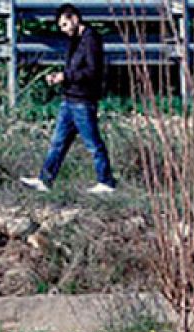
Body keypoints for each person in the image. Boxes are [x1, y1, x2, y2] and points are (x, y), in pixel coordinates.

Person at [20, 4, 116, 194]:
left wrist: (66, 76)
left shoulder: (91, 39)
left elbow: (92, 71)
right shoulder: (75, 40)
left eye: (65, 24)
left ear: (74, 18)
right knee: (58, 142)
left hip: (83, 101)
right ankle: (45, 180)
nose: (63, 29)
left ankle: (106, 182)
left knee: (93, 143)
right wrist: (60, 76)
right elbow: (75, 69)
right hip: (70, 99)